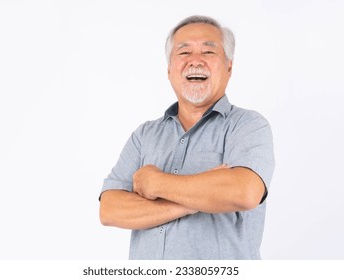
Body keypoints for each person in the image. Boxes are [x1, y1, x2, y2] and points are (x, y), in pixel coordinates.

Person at [99, 15, 275, 260]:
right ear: (169, 69)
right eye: (183, 53)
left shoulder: (247, 125)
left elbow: (244, 192)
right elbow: (110, 209)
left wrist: (154, 183)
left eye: (208, 51)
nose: (196, 61)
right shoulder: (145, 135)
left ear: (229, 67)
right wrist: (195, 202)